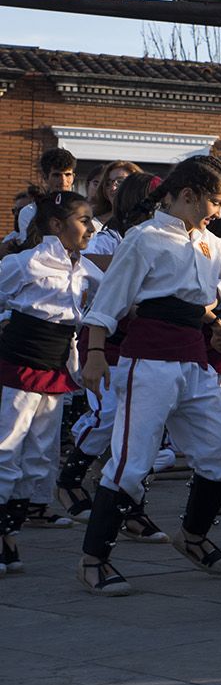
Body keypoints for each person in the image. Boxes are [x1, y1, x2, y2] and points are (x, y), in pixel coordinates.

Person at [76, 155, 221, 595]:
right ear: (187, 195)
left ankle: (194, 536)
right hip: (148, 362)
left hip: (194, 363)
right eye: (215, 203)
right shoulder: (143, 239)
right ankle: (93, 561)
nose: (219, 212)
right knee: (130, 464)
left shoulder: (207, 241)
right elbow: (106, 305)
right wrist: (93, 355)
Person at [55, 172, 169, 544]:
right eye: (159, 201)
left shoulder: (167, 239)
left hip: (143, 340)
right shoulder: (109, 236)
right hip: (105, 337)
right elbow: (111, 286)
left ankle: (132, 506)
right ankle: (69, 480)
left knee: (143, 424)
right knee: (106, 413)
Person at [0, 192, 98, 574]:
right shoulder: (25, 263)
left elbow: (114, 297)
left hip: (56, 367)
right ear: (57, 225)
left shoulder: (85, 267)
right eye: (83, 219)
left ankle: (11, 530)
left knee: (41, 455)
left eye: (92, 220)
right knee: (7, 448)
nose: (90, 227)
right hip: (19, 366)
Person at [6, 148, 76, 251]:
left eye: (67, 174)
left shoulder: (83, 211)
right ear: (45, 177)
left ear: (73, 177)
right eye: (56, 175)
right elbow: (31, 251)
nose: (63, 181)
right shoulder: (30, 212)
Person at [86, 161, 140, 228]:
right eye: (108, 183)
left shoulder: (150, 223)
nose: (113, 188)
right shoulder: (91, 224)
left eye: (120, 182)